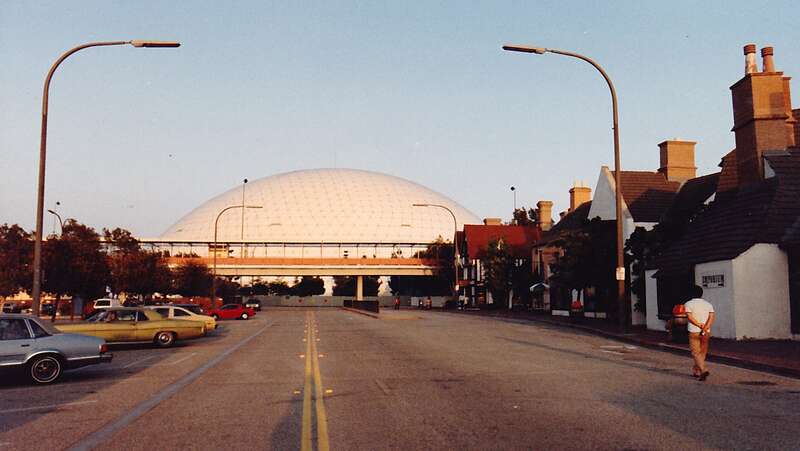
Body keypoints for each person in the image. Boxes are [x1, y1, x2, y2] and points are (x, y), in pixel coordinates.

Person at [684, 285, 715, 381]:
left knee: (695, 352)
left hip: (694, 330)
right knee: (702, 352)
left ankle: (703, 369)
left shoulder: (688, 304)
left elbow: (690, 317)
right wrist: (706, 327)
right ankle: (696, 371)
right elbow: (711, 317)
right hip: (706, 331)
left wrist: (699, 325)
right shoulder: (708, 304)